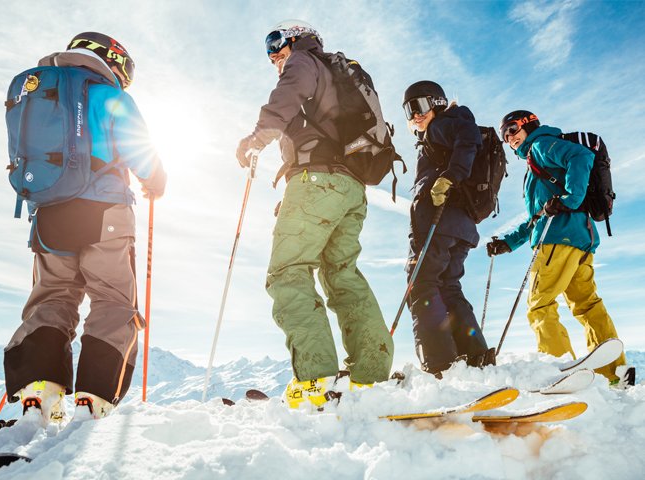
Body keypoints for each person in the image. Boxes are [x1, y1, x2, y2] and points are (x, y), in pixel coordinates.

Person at [4, 32, 167, 422]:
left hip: (48, 213)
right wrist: (155, 181)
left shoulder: (39, 89)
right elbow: (140, 151)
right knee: (112, 300)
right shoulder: (109, 94)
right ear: (112, 60)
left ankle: (38, 394)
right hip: (105, 212)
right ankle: (92, 399)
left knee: (53, 297)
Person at [236, 20, 393, 408]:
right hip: (350, 188)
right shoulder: (339, 75)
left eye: (277, 43)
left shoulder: (304, 62)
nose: (274, 55)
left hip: (317, 181)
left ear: (298, 39)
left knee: (288, 272)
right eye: (269, 50)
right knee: (342, 274)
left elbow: (288, 95)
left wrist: (258, 136)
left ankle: (315, 379)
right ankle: (371, 376)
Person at [487, 110, 630, 384]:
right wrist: (508, 243)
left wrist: (571, 198)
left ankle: (559, 370)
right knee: (587, 305)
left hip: (557, 240)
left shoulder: (541, 145)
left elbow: (582, 156)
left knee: (539, 306)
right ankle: (614, 371)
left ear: (529, 125)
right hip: (581, 239)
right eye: (505, 136)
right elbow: (538, 217)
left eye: (513, 130)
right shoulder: (535, 162)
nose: (510, 139)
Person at [401, 81, 495, 378]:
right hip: (461, 226)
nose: (415, 115)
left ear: (437, 102)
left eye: (420, 106)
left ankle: (440, 365)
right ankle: (475, 358)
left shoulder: (442, 126)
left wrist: (450, 177)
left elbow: (467, 138)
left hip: (438, 222)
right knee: (448, 287)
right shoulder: (442, 130)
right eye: (408, 110)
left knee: (422, 286)